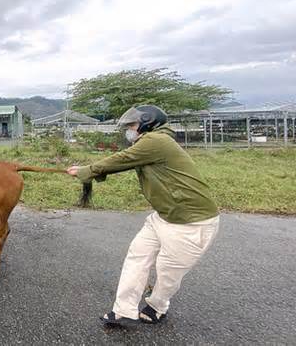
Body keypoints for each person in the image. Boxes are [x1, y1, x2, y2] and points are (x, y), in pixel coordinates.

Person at [66, 105, 219, 326]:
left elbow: (122, 160)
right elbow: (123, 161)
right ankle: (124, 309)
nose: (129, 130)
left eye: (132, 126)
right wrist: (88, 169)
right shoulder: (153, 141)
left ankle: (158, 307)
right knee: (137, 255)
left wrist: (86, 170)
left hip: (192, 221)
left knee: (167, 272)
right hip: (163, 216)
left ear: (148, 123)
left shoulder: (157, 141)